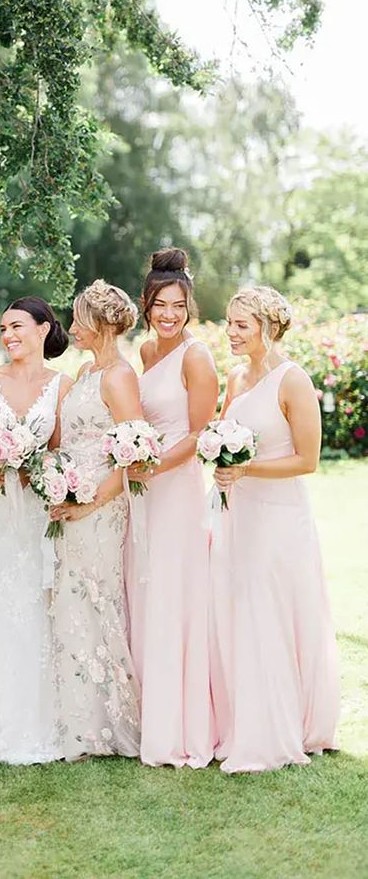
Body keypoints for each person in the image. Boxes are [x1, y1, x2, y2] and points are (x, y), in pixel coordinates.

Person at [210, 286, 340, 772]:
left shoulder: (293, 380)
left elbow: (308, 460)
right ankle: (246, 718)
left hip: (278, 513)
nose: (232, 332)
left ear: (269, 326)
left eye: (242, 324)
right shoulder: (236, 377)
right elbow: (222, 433)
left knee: (270, 611)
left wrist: (246, 470)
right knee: (237, 607)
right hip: (235, 510)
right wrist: (218, 457)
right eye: (229, 323)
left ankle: (282, 727)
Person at [0, 297, 72, 764]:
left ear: (45, 329)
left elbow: (61, 454)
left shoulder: (64, 386)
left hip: (32, 517)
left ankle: (36, 722)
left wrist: (38, 468)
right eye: (3, 328)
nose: (8, 336)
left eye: (18, 326)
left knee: (32, 611)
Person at [125, 249, 218, 767]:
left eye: (178, 306)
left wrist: (152, 465)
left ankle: (180, 722)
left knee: (172, 591)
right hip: (143, 485)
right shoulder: (144, 351)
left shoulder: (195, 356)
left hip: (175, 486)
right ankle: (149, 714)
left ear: (189, 308)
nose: (169, 314)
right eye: (161, 304)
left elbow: (200, 433)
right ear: (146, 304)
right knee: (145, 587)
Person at [49, 279, 142, 760]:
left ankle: (112, 720)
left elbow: (133, 455)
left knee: (97, 597)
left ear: (102, 324)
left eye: (78, 318)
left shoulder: (120, 376)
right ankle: (79, 721)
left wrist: (89, 501)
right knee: (70, 598)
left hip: (102, 505)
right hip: (70, 500)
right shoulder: (86, 370)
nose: (72, 327)